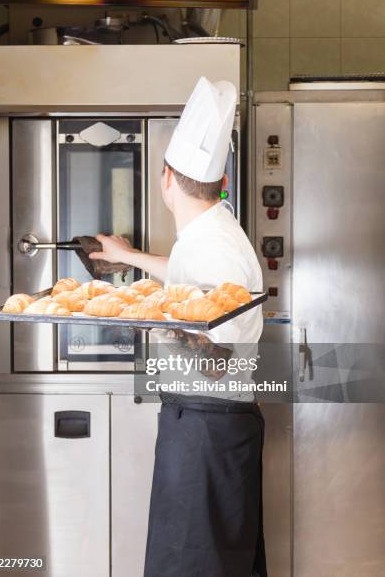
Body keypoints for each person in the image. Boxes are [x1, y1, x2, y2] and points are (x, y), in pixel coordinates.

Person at [90, 76, 267, 577]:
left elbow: (215, 357)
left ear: (167, 178)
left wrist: (149, 323)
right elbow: (198, 287)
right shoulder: (212, 232)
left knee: (193, 565)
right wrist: (132, 259)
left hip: (206, 429)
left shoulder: (212, 243)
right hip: (209, 426)